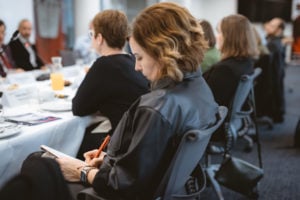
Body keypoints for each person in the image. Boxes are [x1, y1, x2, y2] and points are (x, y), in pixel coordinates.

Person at [13, 2, 218, 200]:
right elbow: (152, 161)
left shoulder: (156, 109)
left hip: (117, 193)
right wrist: (112, 162)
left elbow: (121, 186)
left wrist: (81, 172)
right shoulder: (200, 89)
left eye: (139, 57)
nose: (136, 67)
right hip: (161, 189)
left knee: (37, 163)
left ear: (162, 54)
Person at [72, 10, 149, 159]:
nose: (91, 39)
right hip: (140, 139)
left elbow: (78, 108)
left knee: (79, 142)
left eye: (91, 34)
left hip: (124, 146)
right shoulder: (133, 60)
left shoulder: (104, 65)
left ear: (99, 38)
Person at [203, 14, 257, 109]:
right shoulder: (246, 62)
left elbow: (208, 103)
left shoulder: (224, 70)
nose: (216, 37)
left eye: (220, 32)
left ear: (230, 37)